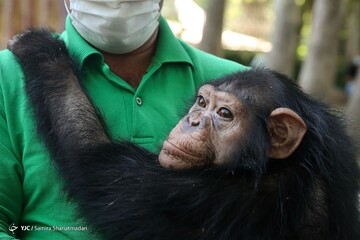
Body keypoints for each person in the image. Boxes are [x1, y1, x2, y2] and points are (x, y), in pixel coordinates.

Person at [0, 0, 247, 239]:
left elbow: (100, 177)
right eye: (200, 102)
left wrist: (51, 71)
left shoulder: (238, 87)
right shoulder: (6, 76)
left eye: (223, 114)